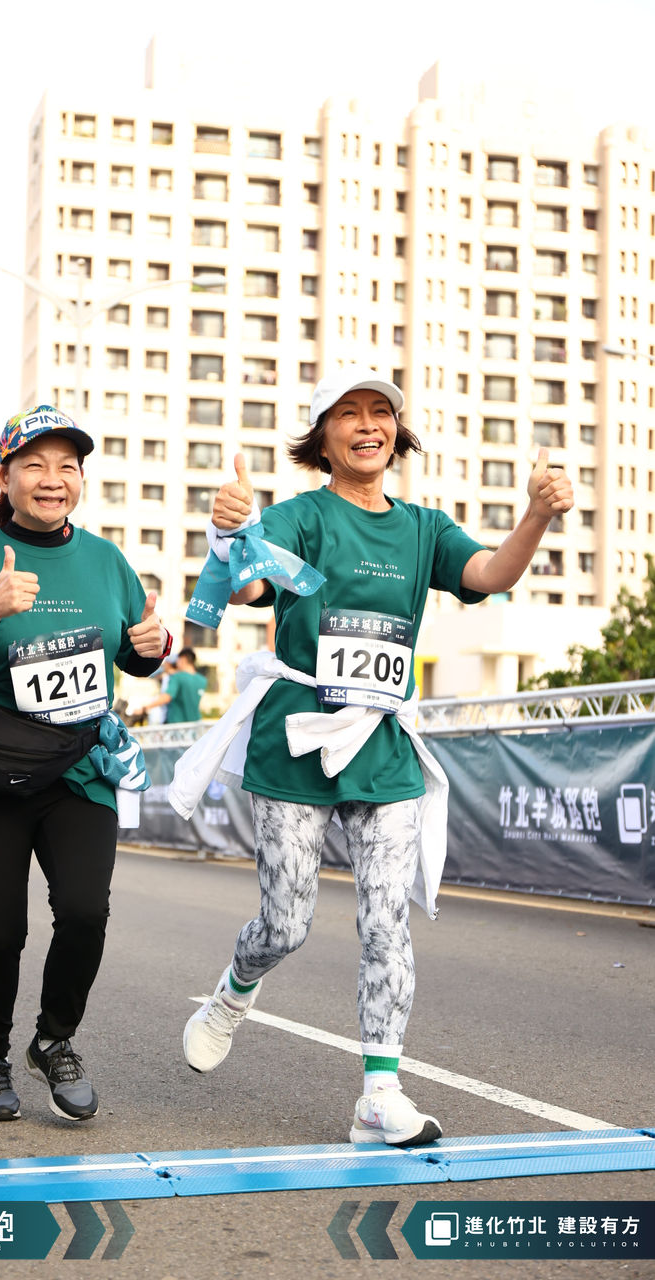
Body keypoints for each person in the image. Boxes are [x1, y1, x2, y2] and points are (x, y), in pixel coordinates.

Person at [177, 366, 574, 1147]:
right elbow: (250, 589)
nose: (368, 426)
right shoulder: (300, 516)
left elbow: (488, 574)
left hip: (384, 746)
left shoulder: (424, 528)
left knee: (386, 921)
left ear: (396, 432)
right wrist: (230, 533)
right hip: (297, 739)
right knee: (285, 924)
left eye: (380, 413)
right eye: (348, 414)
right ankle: (232, 992)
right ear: (321, 439)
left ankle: (378, 1097)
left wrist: (534, 515)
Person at [0, 405, 171, 1122]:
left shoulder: (106, 561)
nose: (52, 478)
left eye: (67, 465)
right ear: (4, 479)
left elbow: (134, 652)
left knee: (85, 912)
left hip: (78, 770)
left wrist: (152, 648)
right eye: (33, 465)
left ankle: (54, 1039)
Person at [139, 648, 207, 724]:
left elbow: (167, 697)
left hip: (177, 724)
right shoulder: (202, 680)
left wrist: (146, 708)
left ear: (183, 659)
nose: (176, 663)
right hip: (195, 724)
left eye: (178, 659)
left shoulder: (177, 677)